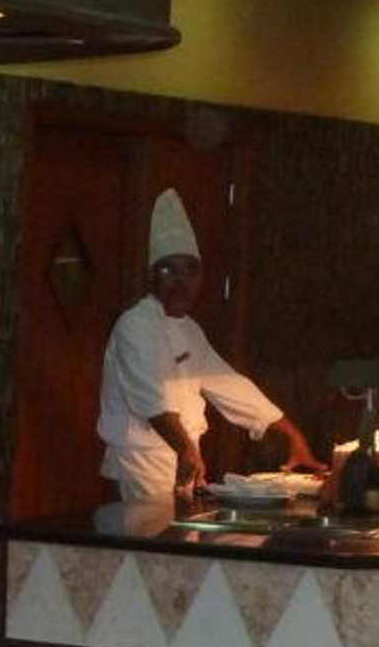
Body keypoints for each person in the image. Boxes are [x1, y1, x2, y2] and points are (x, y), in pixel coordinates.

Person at [97, 189, 323, 501]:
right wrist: (185, 449)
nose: (181, 282)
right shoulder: (134, 325)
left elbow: (228, 384)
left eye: (190, 270)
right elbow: (150, 400)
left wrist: (289, 432)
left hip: (184, 457)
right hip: (141, 463)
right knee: (154, 531)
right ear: (152, 276)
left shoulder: (190, 330)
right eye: (169, 270)